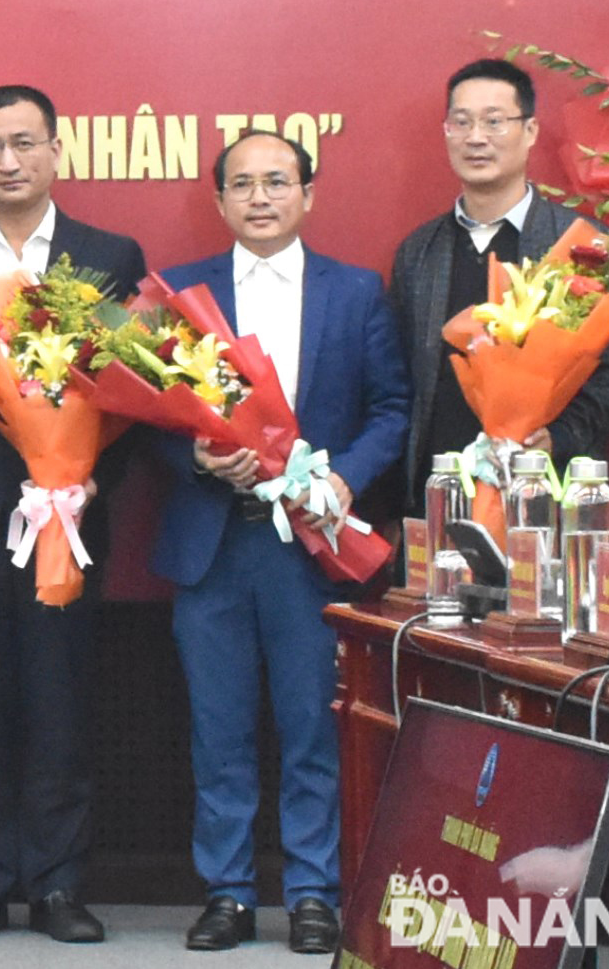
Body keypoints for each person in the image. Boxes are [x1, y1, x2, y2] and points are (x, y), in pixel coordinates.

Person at [151, 131, 408, 954]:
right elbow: (138, 418)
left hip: (311, 544)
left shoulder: (356, 291)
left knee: (310, 726)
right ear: (220, 199)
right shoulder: (180, 290)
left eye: (277, 181)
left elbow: (391, 409)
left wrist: (344, 478)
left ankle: (312, 892)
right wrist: (191, 456)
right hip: (214, 542)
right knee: (217, 728)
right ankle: (225, 890)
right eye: (243, 184)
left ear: (309, 193)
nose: (260, 197)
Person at [0, 85, 146, 945]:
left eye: (23, 143)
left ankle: (56, 882)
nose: (7, 162)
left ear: (56, 150)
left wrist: (85, 477)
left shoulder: (106, 251)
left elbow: (134, 388)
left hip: (71, 521)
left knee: (59, 704)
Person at [372, 58, 609, 525]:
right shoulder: (417, 253)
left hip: (547, 502)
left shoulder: (589, 248)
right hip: (441, 501)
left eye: (495, 121)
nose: (476, 137)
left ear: (531, 130)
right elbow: (401, 384)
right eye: (462, 122)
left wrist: (558, 436)